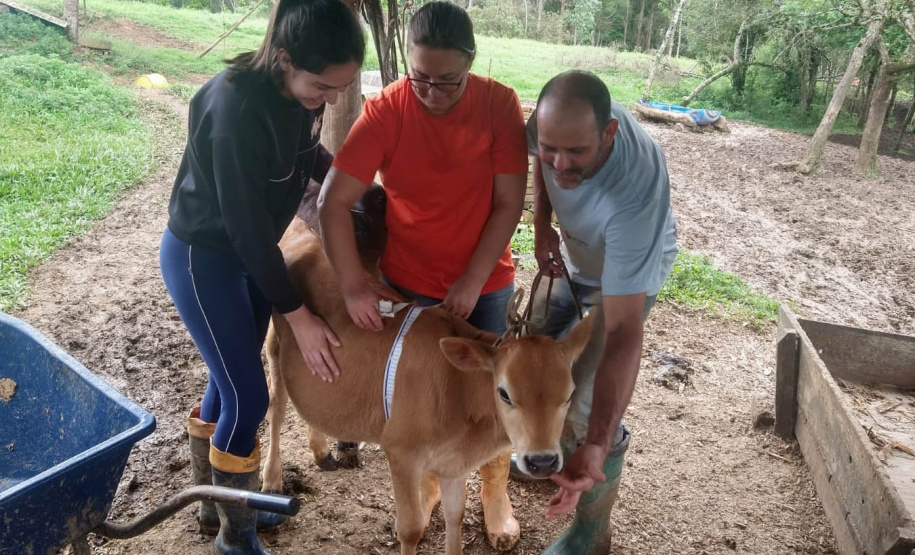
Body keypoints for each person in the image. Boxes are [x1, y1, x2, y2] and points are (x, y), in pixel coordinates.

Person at [317, 2, 528, 549]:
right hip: (408, 284)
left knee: (492, 396)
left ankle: (494, 491)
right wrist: (354, 283)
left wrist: (469, 281)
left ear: (472, 64)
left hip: (483, 283)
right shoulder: (388, 109)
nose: (431, 92)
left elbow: (508, 204)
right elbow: (332, 201)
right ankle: (436, 480)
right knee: (427, 404)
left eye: (447, 81)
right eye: (420, 79)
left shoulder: (498, 104)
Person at [158, 1, 364, 552]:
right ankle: (236, 539)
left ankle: (213, 507)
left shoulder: (297, 94)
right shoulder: (233, 110)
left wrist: (353, 185)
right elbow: (247, 232)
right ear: (283, 59)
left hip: (247, 257)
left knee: (225, 382)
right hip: (205, 260)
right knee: (248, 399)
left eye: (340, 87)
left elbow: (308, 151)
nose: (331, 98)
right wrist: (298, 318)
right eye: (323, 86)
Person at [523, 70, 678, 554]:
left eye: (577, 153)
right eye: (551, 147)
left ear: (608, 134)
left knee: (588, 402)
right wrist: (543, 223)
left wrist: (594, 439)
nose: (560, 163)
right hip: (576, 255)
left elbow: (626, 331)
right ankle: (540, 447)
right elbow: (543, 162)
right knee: (531, 351)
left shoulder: (633, 197)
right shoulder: (554, 133)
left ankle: (591, 532)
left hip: (624, 271)